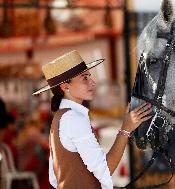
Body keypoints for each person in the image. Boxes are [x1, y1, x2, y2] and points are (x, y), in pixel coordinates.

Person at [32, 50, 152, 189]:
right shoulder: (73, 118)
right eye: (85, 78)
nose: (93, 83)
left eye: (90, 77)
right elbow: (105, 170)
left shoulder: (60, 117)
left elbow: (55, 178)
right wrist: (126, 129)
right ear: (65, 87)